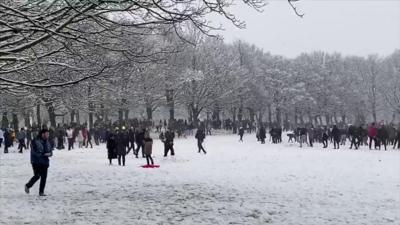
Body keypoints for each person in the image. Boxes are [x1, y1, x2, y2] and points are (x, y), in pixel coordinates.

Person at [25, 129, 53, 196]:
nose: (48, 135)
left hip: (45, 162)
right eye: (47, 134)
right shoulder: (35, 141)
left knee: (44, 177)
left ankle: (41, 192)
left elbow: (50, 151)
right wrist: (43, 154)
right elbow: (34, 152)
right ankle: (28, 186)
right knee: (37, 176)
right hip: (36, 161)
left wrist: (50, 154)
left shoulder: (48, 142)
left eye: (48, 134)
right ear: (42, 134)